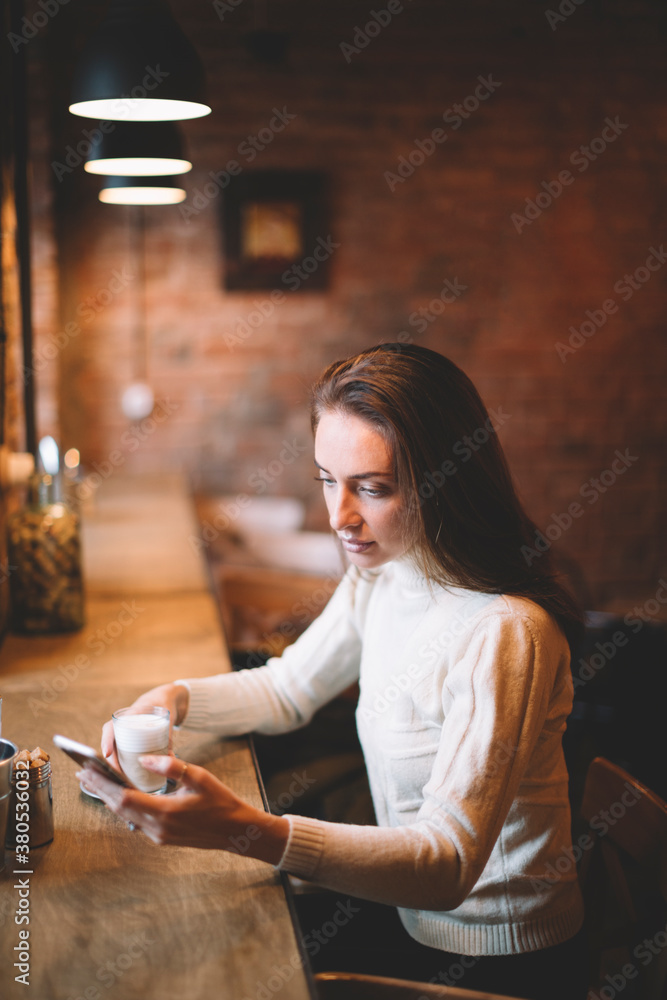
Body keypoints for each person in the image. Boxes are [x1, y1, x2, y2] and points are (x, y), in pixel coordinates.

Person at [82, 344, 588, 1000]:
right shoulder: (385, 569)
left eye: (371, 488)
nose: (338, 517)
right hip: (412, 916)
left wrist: (245, 831)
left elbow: (449, 864)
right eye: (327, 479)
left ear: (447, 481)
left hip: (498, 960)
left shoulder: (506, 631)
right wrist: (177, 700)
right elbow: (288, 688)